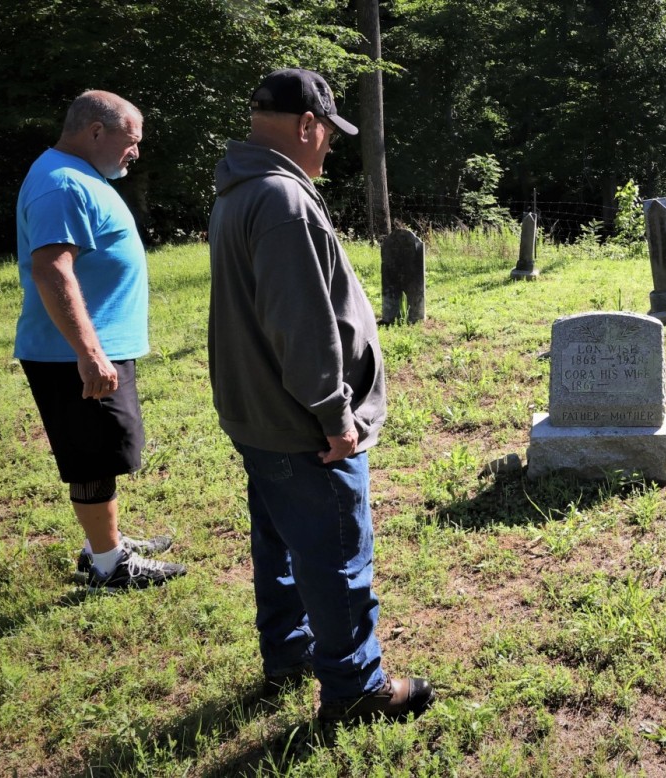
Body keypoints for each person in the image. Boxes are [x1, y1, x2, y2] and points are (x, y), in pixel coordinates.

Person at [207, 69, 434, 723]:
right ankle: (357, 688)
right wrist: (336, 419)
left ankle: (288, 652)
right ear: (308, 124)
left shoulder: (239, 188)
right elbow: (301, 326)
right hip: (303, 425)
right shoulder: (282, 199)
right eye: (329, 134)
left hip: (259, 415)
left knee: (281, 543)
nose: (328, 148)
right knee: (336, 554)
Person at [14, 90, 187, 591]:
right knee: (92, 453)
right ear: (96, 132)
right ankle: (109, 565)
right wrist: (89, 353)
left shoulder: (74, 173)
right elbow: (52, 268)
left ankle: (104, 544)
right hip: (73, 354)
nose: (136, 151)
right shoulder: (62, 183)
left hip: (88, 349)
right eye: (130, 141)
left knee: (104, 449)